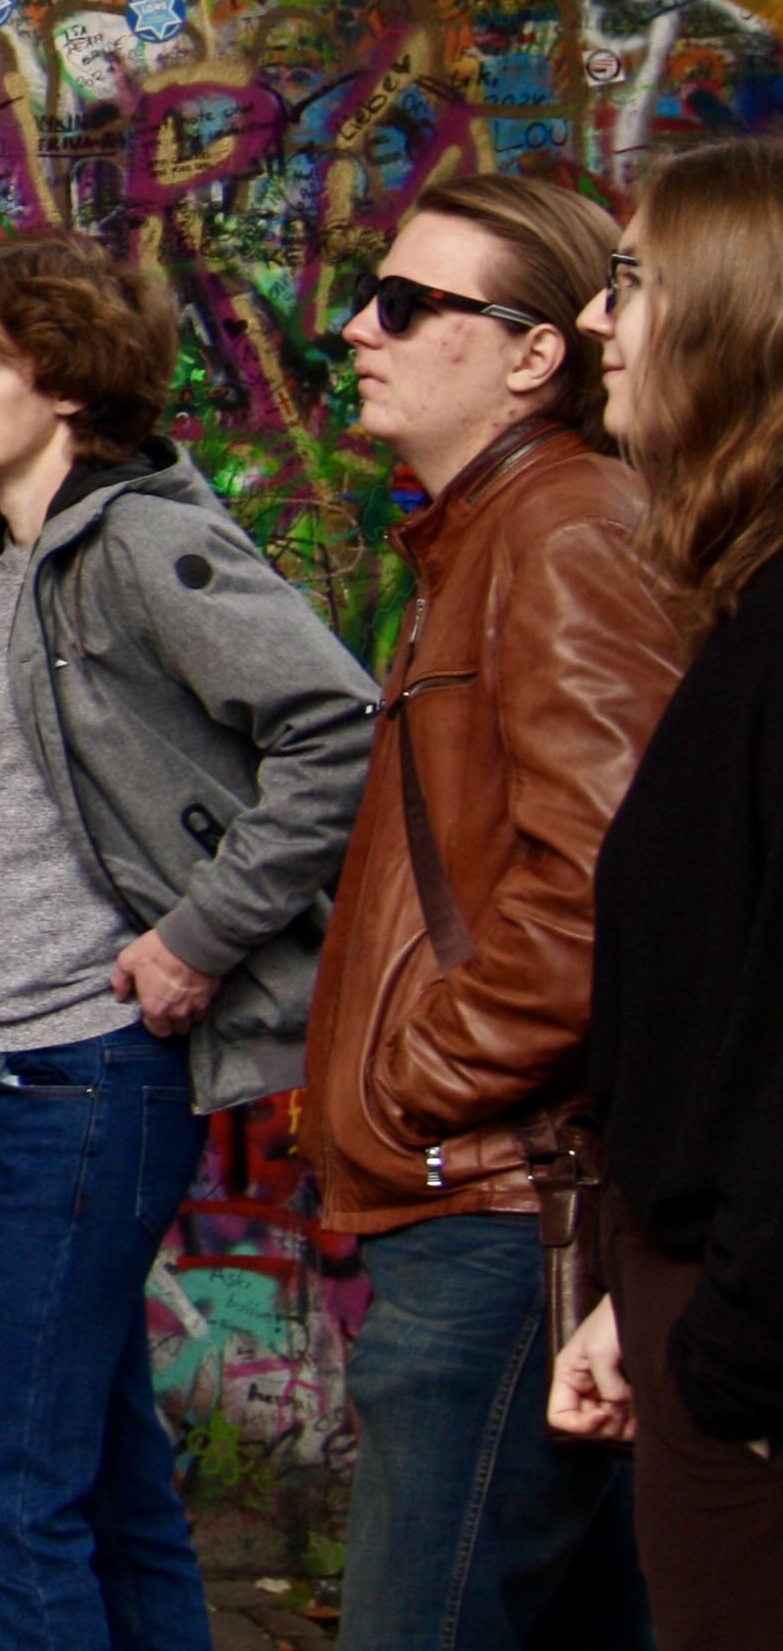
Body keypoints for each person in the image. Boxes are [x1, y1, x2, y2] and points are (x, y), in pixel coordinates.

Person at [0, 238, 375, 1651]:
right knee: (108, 1478)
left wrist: (200, 937)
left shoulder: (146, 544)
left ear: (71, 380)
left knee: (6, 1485)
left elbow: (336, 730)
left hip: (93, 1074)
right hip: (10, 1065)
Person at [308, 175, 680, 1651]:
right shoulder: (497, 535)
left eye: (406, 305)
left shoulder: (563, 534)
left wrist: (422, 1079)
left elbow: (607, 891)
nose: (356, 328)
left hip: (505, 1217)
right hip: (498, 1209)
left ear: (535, 353)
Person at [548, 134, 783, 1643]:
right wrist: (637, 1300)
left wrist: (742, 1348)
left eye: (630, 280)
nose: (594, 321)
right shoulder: (745, 620)